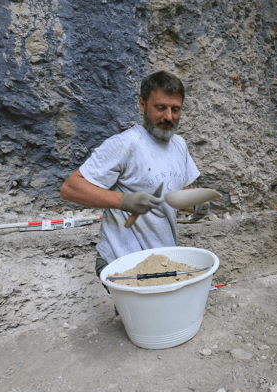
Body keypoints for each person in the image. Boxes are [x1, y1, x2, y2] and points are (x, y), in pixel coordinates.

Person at [60, 70, 208, 282]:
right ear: (142, 104)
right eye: (160, 108)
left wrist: (197, 203)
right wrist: (124, 201)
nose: (169, 116)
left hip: (162, 262)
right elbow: (70, 188)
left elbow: (178, 193)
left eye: (175, 109)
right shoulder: (125, 144)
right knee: (144, 315)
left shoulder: (179, 146)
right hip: (123, 262)